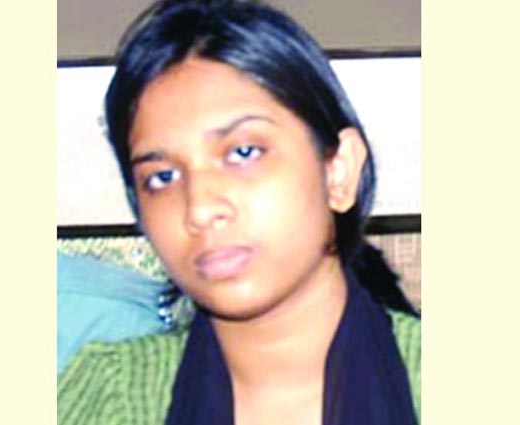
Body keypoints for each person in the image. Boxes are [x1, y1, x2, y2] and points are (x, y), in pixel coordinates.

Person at [58, 0, 420, 424]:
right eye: (162, 177)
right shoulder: (109, 396)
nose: (200, 207)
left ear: (338, 173)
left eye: (244, 152)